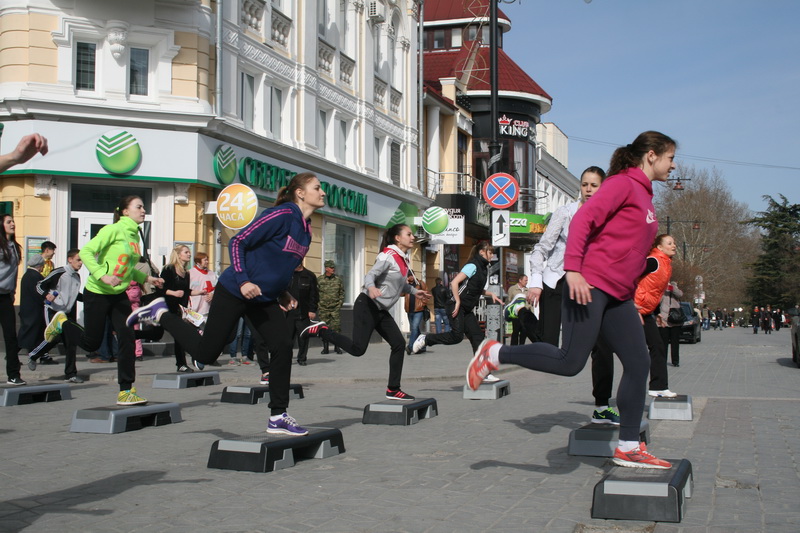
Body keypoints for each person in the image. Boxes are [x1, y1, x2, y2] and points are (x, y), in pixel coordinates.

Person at [466, 131, 678, 469]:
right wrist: (574, 270)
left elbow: (631, 250)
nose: (673, 165)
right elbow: (582, 221)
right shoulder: (622, 184)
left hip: (619, 295)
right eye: (670, 158)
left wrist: (635, 300)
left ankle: (627, 446)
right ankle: (493, 353)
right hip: (590, 284)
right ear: (651, 155)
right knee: (570, 361)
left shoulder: (644, 195)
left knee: (639, 363)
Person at [128, 172, 325, 436]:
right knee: (206, 354)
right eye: (317, 187)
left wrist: (282, 294)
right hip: (235, 290)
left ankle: (278, 415)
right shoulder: (282, 215)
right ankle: (161, 313)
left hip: (262, 297)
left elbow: (280, 264)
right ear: (300, 192)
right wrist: (243, 280)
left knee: (282, 345)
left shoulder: (307, 228)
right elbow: (239, 242)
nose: (322, 192)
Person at [31, 196, 164, 404]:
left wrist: (148, 278)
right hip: (98, 292)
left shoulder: (134, 236)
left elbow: (127, 269)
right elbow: (86, 252)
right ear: (125, 212)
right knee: (90, 342)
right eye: (139, 207)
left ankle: (126, 390)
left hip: (118, 294)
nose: (143, 210)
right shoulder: (113, 230)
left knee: (127, 337)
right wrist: (103, 275)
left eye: (144, 207)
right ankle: (62, 324)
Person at [303, 224, 431, 400]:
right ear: (397, 238)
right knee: (358, 349)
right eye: (408, 234)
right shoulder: (388, 256)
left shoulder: (403, 259)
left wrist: (416, 292)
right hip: (367, 305)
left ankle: (393, 389)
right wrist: (370, 288)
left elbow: (400, 284)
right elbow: (370, 276)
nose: (413, 237)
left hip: (380, 309)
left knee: (399, 343)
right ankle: (322, 330)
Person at [410, 241, 502, 363]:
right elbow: (454, 283)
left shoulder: (483, 269)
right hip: (455, 305)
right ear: (481, 252)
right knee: (457, 336)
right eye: (490, 252)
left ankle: (482, 372)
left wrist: (491, 294)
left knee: (478, 337)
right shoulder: (473, 265)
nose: (492, 255)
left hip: (466, 308)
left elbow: (475, 289)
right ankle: (426, 339)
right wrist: (458, 301)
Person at [27, 249, 85, 382]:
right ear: (70, 259)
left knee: (71, 342)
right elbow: (39, 285)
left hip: (66, 313)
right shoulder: (59, 272)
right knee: (55, 337)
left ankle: (71, 374)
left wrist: (91, 299)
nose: (81, 263)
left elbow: (76, 296)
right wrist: (45, 295)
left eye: (82, 260)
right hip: (52, 310)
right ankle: (33, 355)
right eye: (78, 260)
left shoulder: (77, 277)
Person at [634, 234, 678, 398]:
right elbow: (629, 275)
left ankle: (658, 387)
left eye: (674, 243)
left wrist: (657, 311)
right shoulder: (653, 261)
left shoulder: (667, 265)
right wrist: (630, 303)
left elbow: (656, 290)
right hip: (634, 310)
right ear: (659, 247)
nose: (674, 245)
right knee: (633, 352)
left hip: (646, 312)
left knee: (658, 346)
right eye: (669, 243)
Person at [160, 244, 200, 372]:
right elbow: (161, 290)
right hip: (166, 308)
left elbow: (186, 291)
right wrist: (174, 293)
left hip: (180, 310)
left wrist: (200, 292)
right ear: (178, 255)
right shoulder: (168, 269)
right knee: (155, 334)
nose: (189, 254)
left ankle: (182, 364)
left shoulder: (186, 273)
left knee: (183, 335)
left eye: (189, 252)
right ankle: (132, 335)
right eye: (186, 252)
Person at [1, 214, 25, 385]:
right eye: (9, 222)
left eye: (13, 221)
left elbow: (14, 273)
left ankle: (13, 375)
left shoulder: (15, 247)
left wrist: (13, 291)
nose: (13, 224)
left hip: (6, 297)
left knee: (11, 336)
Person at [288, 263, 319, 365]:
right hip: (288, 313)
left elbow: (314, 294)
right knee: (287, 338)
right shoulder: (288, 273)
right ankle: (286, 357)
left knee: (303, 338)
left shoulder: (309, 275)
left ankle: (302, 358)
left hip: (303, 313)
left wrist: (312, 310)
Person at [17, 255, 47, 358]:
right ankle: (13, 353)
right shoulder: (35, 276)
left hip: (28, 309)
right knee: (29, 333)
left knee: (35, 333)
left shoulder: (28, 275)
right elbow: (38, 293)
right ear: (39, 266)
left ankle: (40, 355)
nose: (43, 267)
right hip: (33, 310)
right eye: (42, 265)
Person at [316, 260, 344, 354]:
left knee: (336, 327)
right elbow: (315, 294)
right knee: (324, 328)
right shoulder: (319, 280)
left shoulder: (338, 280)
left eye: (334, 267)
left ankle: (337, 347)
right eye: (331, 268)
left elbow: (342, 293)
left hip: (335, 308)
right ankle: (325, 347)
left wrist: (339, 304)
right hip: (323, 308)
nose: (333, 269)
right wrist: (318, 305)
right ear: (326, 268)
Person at [658, 281, 683, 368]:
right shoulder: (662, 290)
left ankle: (675, 361)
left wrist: (672, 288)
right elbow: (658, 300)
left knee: (675, 343)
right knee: (663, 343)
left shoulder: (675, 288)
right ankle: (662, 360)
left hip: (675, 320)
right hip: (664, 320)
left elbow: (680, 294)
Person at [188, 251, 217, 322]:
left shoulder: (212, 274)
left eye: (207, 260)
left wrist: (213, 294)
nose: (207, 262)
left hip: (208, 308)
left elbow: (217, 287)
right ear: (198, 262)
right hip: (194, 309)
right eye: (205, 260)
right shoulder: (190, 273)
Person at [404, 271, 428, 355]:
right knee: (416, 330)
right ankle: (423, 345)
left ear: (414, 275)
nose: (410, 277)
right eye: (408, 275)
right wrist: (404, 284)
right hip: (409, 310)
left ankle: (410, 347)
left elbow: (426, 294)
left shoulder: (420, 283)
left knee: (414, 328)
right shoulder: (406, 284)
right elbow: (400, 294)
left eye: (411, 275)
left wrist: (422, 304)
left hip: (418, 310)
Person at [505, 275, 529, 345]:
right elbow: (509, 300)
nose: (526, 282)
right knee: (515, 331)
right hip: (516, 314)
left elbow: (529, 303)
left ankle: (522, 347)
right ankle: (513, 348)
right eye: (525, 280)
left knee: (524, 331)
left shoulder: (527, 290)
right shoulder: (512, 289)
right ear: (520, 280)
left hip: (525, 314)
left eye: (527, 280)